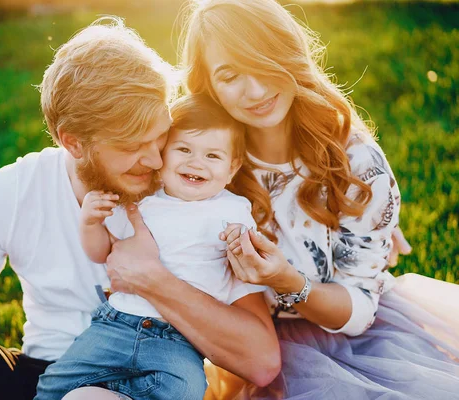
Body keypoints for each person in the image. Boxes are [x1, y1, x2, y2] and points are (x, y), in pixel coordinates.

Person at [0, 18, 280, 400]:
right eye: (132, 146)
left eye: (160, 137)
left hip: (143, 383)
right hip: (45, 377)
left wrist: (155, 282)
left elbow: (261, 360)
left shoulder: (191, 196)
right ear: (73, 142)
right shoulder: (16, 189)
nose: (155, 160)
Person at [179, 0, 459, 398]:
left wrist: (286, 280)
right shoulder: (201, 163)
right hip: (250, 344)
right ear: (208, 87)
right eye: (230, 75)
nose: (256, 90)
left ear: (291, 54)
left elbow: (359, 313)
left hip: (354, 338)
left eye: (264, 61)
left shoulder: (358, 165)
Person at [35, 94, 269, 400]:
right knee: (52, 384)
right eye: (184, 149)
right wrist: (89, 223)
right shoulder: (142, 203)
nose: (195, 162)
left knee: (185, 390)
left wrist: (241, 243)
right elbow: (102, 252)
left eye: (213, 156)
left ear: (232, 167)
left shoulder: (233, 209)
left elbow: (249, 259)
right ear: (163, 157)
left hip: (179, 339)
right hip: (116, 325)